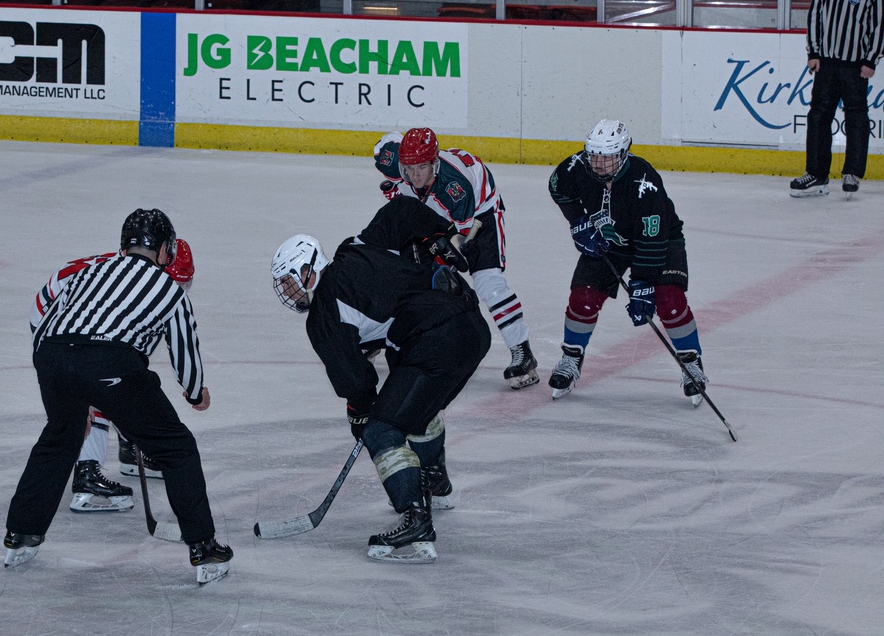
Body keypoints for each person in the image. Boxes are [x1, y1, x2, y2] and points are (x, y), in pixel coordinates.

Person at [5, 209, 232, 586]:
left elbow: (49, 322)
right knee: (177, 448)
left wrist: (63, 370)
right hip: (109, 362)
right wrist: (195, 393)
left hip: (53, 356)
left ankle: (21, 534)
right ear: (163, 250)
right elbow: (184, 355)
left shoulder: (92, 271)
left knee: (60, 436)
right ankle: (204, 548)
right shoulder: (168, 289)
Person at [271, 196, 491, 563]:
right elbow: (401, 210)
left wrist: (360, 414)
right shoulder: (356, 248)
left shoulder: (324, 313)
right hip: (470, 326)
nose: (291, 294)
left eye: (291, 283)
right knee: (414, 404)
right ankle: (434, 480)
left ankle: (415, 519)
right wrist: (444, 234)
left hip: (438, 340)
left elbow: (356, 381)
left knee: (382, 429)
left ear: (309, 271)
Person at [547, 120, 709, 406]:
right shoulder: (576, 167)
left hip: (660, 241)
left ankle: (691, 362)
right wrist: (578, 221)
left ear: (623, 155)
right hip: (611, 242)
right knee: (583, 296)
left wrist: (643, 283)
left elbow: (652, 237)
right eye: (594, 155)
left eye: (607, 157)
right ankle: (572, 357)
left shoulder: (644, 181)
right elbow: (557, 187)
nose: (598, 164)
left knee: (668, 300)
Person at [29, 239, 196, 512]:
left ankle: (130, 449)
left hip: (77, 327)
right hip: (53, 323)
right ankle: (87, 472)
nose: (175, 292)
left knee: (122, 383)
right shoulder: (115, 278)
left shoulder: (137, 277)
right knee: (97, 384)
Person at [373, 129, 538, 389]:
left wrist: (441, 262)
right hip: (433, 209)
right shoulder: (396, 162)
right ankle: (377, 338)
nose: (415, 176)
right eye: (409, 169)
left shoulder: (455, 188)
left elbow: (462, 238)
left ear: (434, 163)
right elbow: (387, 144)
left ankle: (522, 352)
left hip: (479, 214)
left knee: (487, 282)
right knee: (402, 273)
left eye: (422, 168)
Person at [791, 0, 884, 199]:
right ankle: (817, 175)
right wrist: (814, 52)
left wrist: (870, 59)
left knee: (856, 117)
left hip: (855, 66)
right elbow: (815, 17)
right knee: (818, 117)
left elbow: (878, 25)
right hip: (827, 63)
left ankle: (852, 173)